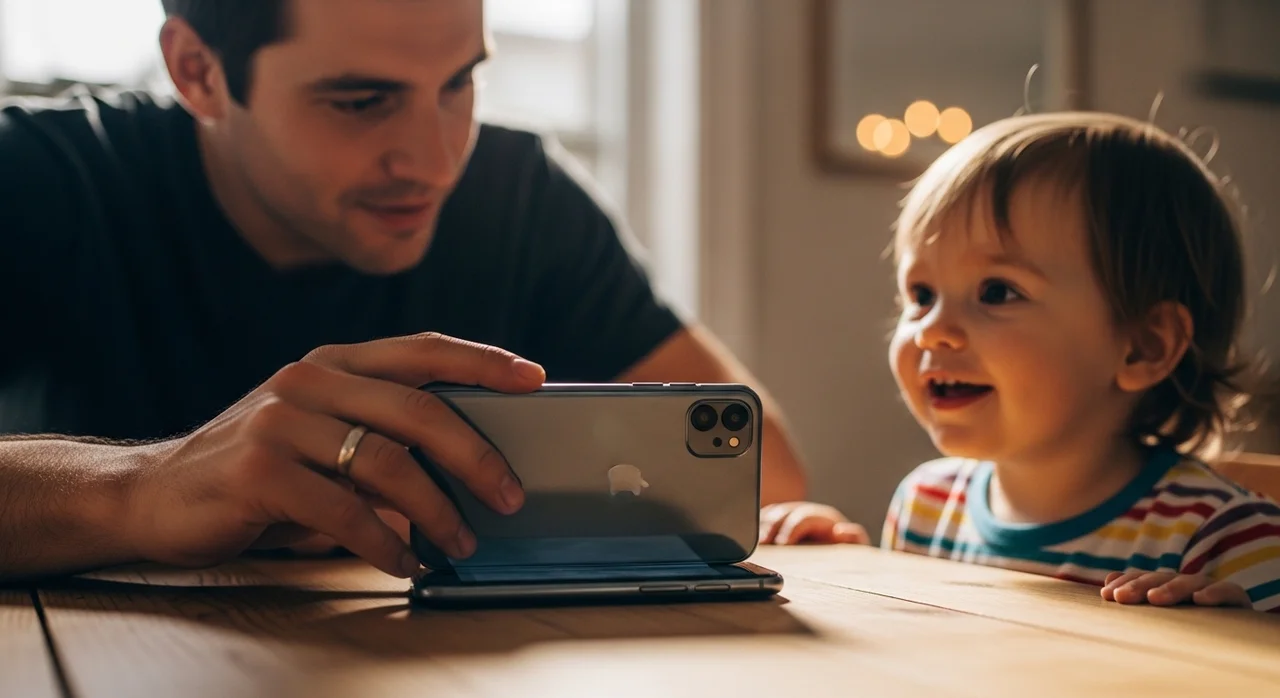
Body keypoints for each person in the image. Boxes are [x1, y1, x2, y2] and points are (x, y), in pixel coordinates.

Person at [0, 0, 807, 582]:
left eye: (458, 84)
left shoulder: (519, 194)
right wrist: (142, 492)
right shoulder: (39, 178)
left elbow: (760, 473)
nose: (434, 159)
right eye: (362, 102)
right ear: (198, 71)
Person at [759, 112, 1280, 613]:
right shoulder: (927, 506)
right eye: (921, 294)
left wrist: (1234, 629)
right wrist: (848, 559)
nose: (933, 330)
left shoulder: (1225, 539)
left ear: (1144, 346)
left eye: (997, 291)